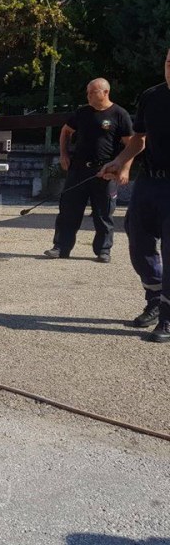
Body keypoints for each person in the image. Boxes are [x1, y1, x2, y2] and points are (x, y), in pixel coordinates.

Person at [99, 49, 170, 343]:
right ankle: (155, 297)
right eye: (168, 62)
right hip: (150, 182)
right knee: (137, 237)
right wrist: (120, 161)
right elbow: (138, 139)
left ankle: (167, 317)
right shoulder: (151, 96)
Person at [44, 78, 133, 262]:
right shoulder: (82, 113)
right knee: (68, 211)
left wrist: (123, 169)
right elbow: (65, 132)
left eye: (92, 92)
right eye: (88, 92)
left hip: (104, 171)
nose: (89, 95)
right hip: (78, 170)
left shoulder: (119, 114)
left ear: (105, 92)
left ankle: (103, 250)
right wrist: (64, 154)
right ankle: (60, 247)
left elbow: (130, 145)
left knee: (103, 214)